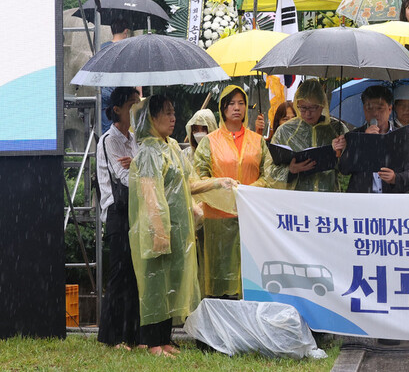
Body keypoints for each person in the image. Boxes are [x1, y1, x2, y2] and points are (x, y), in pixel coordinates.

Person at [128, 95, 232, 357]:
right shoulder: (150, 151)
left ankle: (165, 340)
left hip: (178, 229)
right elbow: (150, 193)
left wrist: (218, 183)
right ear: (151, 118)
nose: (173, 118)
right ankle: (153, 342)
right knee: (156, 285)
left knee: (170, 285)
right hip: (160, 230)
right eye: (166, 113)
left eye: (174, 112)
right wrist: (159, 230)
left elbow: (189, 183)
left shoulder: (172, 146)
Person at [193, 85, 271, 298]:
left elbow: (269, 175)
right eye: (231, 104)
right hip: (218, 219)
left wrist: (247, 191)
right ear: (223, 108)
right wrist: (222, 188)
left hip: (251, 216)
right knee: (219, 276)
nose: (237, 108)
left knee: (250, 276)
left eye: (241, 103)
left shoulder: (257, 141)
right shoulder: (210, 141)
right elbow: (199, 177)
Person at [96, 87, 141, 349]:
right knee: (118, 273)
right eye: (131, 105)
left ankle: (132, 335)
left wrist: (135, 162)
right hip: (116, 212)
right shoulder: (108, 140)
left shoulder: (134, 140)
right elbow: (122, 177)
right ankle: (111, 337)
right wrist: (138, 165)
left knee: (134, 273)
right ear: (117, 110)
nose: (135, 110)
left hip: (133, 209)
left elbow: (136, 169)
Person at [264, 79, 349, 191]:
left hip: (328, 198)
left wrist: (342, 151)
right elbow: (269, 171)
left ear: (322, 105)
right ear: (297, 104)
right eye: (303, 108)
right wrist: (290, 170)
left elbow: (349, 167)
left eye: (313, 108)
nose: (308, 113)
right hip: (297, 200)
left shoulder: (337, 129)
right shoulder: (285, 131)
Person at [335, 85, 409, 193]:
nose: (375, 113)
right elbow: (344, 168)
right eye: (369, 108)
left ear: (390, 109)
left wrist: (395, 178)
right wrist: (363, 141)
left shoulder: (402, 136)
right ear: (364, 109)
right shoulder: (354, 135)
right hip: (362, 200)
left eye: (380, 108)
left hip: (392, 200)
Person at [100, 17, 131, 134]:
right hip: (120, 94)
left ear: (112, 31)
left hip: (104, 92)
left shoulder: (102, 48)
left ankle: (106, 149)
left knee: (106, 130)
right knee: (120, 128)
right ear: (125, 31)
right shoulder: (127, 49)